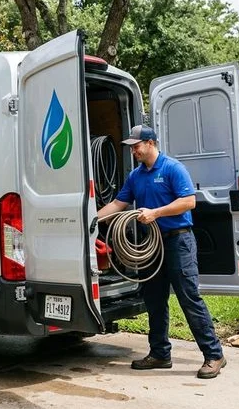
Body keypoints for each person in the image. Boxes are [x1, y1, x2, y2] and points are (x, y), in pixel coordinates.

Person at [97, 125, 226, 379]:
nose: (133, 151)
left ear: (151, 143)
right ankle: (160, 354)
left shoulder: (172, 168)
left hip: (178, 241)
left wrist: (155, 213)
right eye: (131, 147)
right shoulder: (136, 176)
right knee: (154, 300)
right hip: (153, 246)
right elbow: (118, 203)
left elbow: (188, 201)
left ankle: (214, 354)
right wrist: (90, 221)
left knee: (189, 298)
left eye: (136, 146)